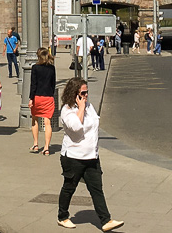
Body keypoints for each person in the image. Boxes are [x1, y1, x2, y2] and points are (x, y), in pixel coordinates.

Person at [56, 77, 122, 231]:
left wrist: (84, 107)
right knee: (69, 187)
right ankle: (62, 216)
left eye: (87, 92)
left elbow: (94, 124)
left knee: (96, 188)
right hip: (73, 157)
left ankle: (106, 220)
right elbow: (76, 128)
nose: (86, 96)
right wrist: (80, 108)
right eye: (83, 93)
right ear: (75, 94)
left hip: (91, 156)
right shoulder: (67, 110)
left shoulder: (89, 106)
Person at [29, 47, 56, 156]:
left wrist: (31, 98)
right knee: (47, 123)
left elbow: (33, 84)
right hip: (48, 97)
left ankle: (36, 144)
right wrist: (51, 95)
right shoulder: (52, 68)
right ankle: (46, 147)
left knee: (35, 120)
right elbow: (53, 83)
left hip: (37, 97)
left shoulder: (35, 68)